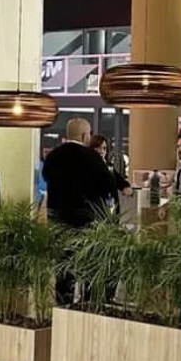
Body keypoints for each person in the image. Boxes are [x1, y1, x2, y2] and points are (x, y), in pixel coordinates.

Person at [41, 117, 115, 303]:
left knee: (64, 264)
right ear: (84, 136)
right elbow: (108, 184)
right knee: (89, 264)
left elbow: (46, 177)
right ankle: (87, 304)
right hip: (87, 221)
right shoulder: (92, 157)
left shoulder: (53, 156)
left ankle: (63, 302)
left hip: (59, 220)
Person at [90, 134, 132, 212]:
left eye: (104, 148)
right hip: (96, 207)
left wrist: (125, 186)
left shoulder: (108, 166)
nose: (102, 151)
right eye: (98, 148)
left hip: (111, 205)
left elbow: (117, 179)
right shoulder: (88, 166)